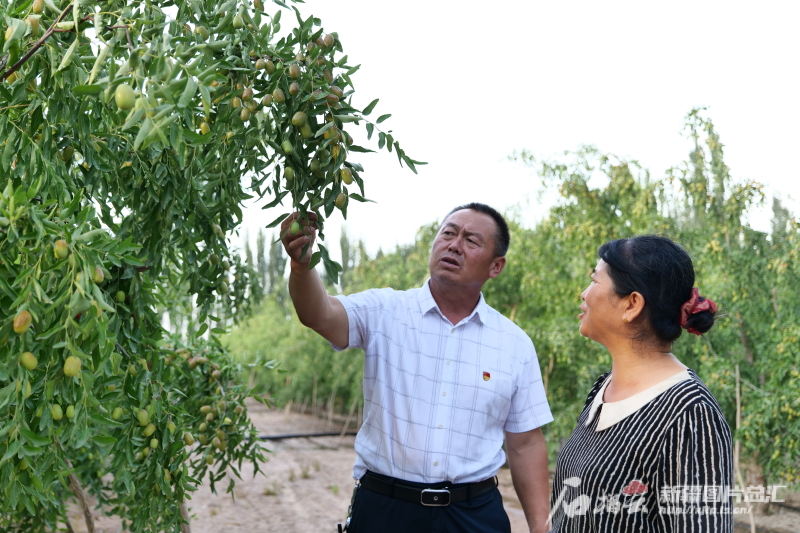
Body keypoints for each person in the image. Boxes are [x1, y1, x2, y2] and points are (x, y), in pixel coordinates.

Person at [281, 203, 553, 533]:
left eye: (471, 241)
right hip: (385, 510)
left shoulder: (514, 344)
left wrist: (541, 527)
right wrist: (301, 267)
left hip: (473, 515)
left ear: (496, 266)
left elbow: (525, 444)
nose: (454, 245)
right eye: (448, 233)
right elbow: (319, 314)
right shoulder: (385, 311)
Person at [548, 235, 733, 532]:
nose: (583, 294)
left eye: (594, 282)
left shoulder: (690, 414)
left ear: (632, 304)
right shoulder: (603, 389)